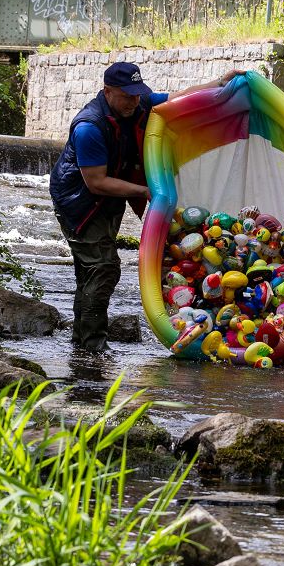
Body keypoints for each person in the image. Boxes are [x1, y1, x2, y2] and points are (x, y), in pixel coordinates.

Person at [50, 62, 236, 352]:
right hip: (79, 203)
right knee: (103, 268)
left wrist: (219, 83)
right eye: (127, 96)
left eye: (137, 94)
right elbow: (96, 182)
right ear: (107, 92)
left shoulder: (137, 104)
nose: (134, 101)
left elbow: (179, 98)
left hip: (109, 199)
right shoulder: (89, 127)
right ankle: (93, 346)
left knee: (90, 271)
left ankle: (82, 342)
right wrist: (145, 191)